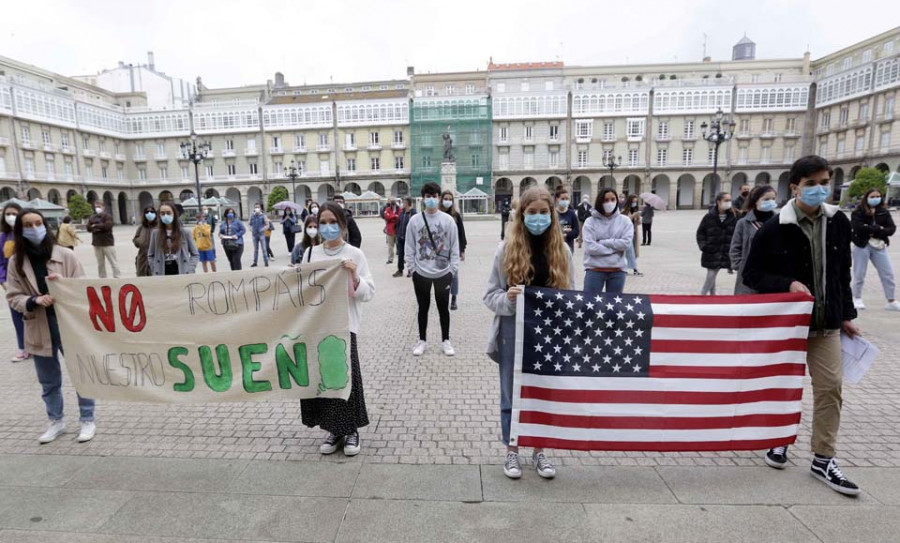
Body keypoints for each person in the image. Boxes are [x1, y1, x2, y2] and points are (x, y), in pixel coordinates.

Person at [743, 155, 861, 496]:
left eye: (825, 182)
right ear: (794, 187)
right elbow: (752, 274)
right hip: (788, 326)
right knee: (784, 388)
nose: (820, 189)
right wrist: (788, 284)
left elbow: (842, 272)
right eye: (811, 184)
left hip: (826, 324)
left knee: (830, 388)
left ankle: (824, 457)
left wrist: (847, 315)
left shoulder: (838, 221)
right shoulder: (773, 227)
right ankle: (778, 440)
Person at [484, 186, 573, 480]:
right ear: (521, 215)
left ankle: (539, 449)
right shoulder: (506, 249)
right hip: (513, 332)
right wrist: (507, 300)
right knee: (511, 393)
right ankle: (512, 449)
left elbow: (572, 297)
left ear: (552, 214)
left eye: (543, 213)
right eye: (531, 213)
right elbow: (489, 296)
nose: (537, 218)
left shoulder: (562, 251)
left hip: (548, 335)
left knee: (543, 393)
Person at [6, 208, 95, 443]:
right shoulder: (16, 261)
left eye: (38, 223)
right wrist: (34, 300)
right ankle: (56, 421)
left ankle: (87, 419)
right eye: (28, 225)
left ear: (46, 225)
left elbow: (84, 289)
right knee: (48, 381)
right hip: (38, 325)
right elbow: (13, 297)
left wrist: (64, 285)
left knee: (81, 374)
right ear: (20, 230)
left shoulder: (65, 255)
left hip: (70, 324)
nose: (35, 228)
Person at [300, 202, 374, 457]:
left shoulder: (355, 254)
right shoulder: (310, 254)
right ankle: (333, 429)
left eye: (333, 222)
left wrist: (355, 276)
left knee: (346, 377)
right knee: (325, 378)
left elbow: (368, 293)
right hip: (318, 326)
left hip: (344, 325)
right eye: (323, 222)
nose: (327, 227)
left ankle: (351, 428)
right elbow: (303, 290)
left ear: (342, 224)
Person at [405, 182, 461, 357]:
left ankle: (446, 340)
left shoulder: (448, 220)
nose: (431, 200)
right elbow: (409, 247)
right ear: (423, 199)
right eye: (428, 196)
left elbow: (454, 247)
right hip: (421, 273)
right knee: (423, 308)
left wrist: (453, 270)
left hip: (443, 273)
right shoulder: (415, 221)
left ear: (438, 197)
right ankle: (422, 340)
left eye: (434, 196)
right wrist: (412, 269)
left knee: (443, 308)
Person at [851, 188, 899, 311]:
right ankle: (856, 298)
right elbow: (858, 228)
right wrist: (878, 228)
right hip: (862, 245)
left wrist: (874, 230)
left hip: (879, 245)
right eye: (872, 196)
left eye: (878, 196)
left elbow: (892, 229)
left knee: (887, 273)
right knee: (859, 273)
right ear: (866, 198)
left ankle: (891, 300)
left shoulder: (883, 212)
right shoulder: (858, 212)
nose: (875, 198)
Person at [581, 188, 633, 295]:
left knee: (614, 308)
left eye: (613, 199)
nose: (610, 203)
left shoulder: (625, 221)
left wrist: (602, 242)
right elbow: (591, 248)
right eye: (606, 200)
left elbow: (626, 243)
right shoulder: (590, 222)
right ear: (600, 201)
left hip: (617, 271)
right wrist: (615, 249)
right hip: (594, 270)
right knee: (589, 305)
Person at [730, 185, 777, 295]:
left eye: (773, 199)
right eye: (766, 199)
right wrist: (741, 265)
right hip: (748, 274)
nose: (771, 202)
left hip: (773, 273)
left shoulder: (779, 221)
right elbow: (735, 248)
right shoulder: (743, 223)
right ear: (756, 201)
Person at [0, 202, 29, 362]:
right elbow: (0, 261)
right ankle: (23, 348)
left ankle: (39, 345)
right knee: (17, 316)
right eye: (8, 214)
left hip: (29, 281)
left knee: (34, 315)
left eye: (14, 213)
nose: (11, 216)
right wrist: (2, 280)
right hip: (11, 284)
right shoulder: (3, 237)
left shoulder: (27, 233)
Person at [696, 192, 738, 295]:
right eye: (726, 200)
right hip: (711, 251)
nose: (728, 203)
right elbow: (700, 232)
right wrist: (704, 246)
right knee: (711, 274)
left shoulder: (734, 216)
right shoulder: (709, 216)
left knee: (712, 274)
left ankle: (710, 297)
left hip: (726, 251)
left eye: (729, 200)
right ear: (718, 202)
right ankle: (704, 295)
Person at [148, 203, 199, 276]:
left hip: (181, 270)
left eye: (168, 213)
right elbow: (150, 255)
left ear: (174, 214)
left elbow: (195, 254)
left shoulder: (185, 232)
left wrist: (189, 269)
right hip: (162, 271)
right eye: (162, 213)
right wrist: (154, 268)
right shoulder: (155, 233)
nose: (165, 216)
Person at [440, 190, 467, 311]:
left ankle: (454, 298)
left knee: (454, 275)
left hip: (453, 250)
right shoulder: (437, 214)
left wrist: (462, 250)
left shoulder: (456, 215)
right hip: (440, 250)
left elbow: (462, 233)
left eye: (450, 199)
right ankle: (442, 296)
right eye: (445, 198)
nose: (448, 201)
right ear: (441, 199)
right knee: (441, 275)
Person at [86, 200, 120, 278]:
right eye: (96, 207)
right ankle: (102, 278)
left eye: (99, 206)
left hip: (107, 243)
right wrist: (98, 227)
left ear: (103, 207)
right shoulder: (92, 217)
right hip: (97, 244)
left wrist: (95, 226)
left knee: (113, 262)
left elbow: (107, 226)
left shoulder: (108, 216)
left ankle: (117, 277)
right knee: (100, 263)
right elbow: (88, 228)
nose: (97, 208)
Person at [132, 206, 158, 277]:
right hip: (142, 258)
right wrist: (140, 241)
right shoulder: (141, 227)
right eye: (147, 212)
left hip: (155, 258)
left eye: (152, 212)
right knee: (141, 278)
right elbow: (135, 239)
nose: (149, 213)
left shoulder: (159, 226)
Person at [394, 197, 416, 278]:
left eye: (404, 202)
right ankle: (400, 270)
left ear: (408, 203)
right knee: (400, 254)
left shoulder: (413, 213)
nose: (403, 204)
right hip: (401, 237)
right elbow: (398, 224)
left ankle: (411, 270)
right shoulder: (402, 213)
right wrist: (398, 234)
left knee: (410, 255)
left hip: (409, 239)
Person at [623, 194, 643, 276]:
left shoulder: (635, 209)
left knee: (634, 251)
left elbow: (638, 223)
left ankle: (629, 268)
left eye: (636, 201)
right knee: (629, 251)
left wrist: (638, 218)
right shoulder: (625, 210)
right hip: (627, 233)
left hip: (634, 232)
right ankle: (634, 269)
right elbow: (625, 219)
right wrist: (633, 215)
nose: (634, 203)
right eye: (633, 201)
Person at [554, 187, 580, 253]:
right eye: (562, 199)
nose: (565, 201)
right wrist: (564, 231)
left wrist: (566, 234)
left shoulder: (572, 214)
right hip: (555, 248)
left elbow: (576, 232)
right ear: (557, 199)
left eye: (567, 199)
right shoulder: (553, 213)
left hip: (569, 248)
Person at [249, 203, 269, 267]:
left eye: (258, 207)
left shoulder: (263, 215)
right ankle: (255, 262)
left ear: (260, 208)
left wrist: (263, 229)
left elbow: (267, 225)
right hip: (254, 234)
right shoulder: (252, 215)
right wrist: (251, 229)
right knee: (255, 249)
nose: (257, 208)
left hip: (261, 234)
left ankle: (266, 262)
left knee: (264, 249)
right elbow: (249, 224)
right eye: (256, 207)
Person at [383, 199, 400, 265]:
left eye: (394, 204)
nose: (393, 206)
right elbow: (386, 217)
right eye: (392, 204)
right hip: (390, 230)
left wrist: (391, 217)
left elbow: (399, 217)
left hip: (397, 230)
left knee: (400, 246)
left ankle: (401, 258)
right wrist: (394, 216)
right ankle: (390, 259)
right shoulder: (387, 209)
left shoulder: (399, 209)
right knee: (390, 246)